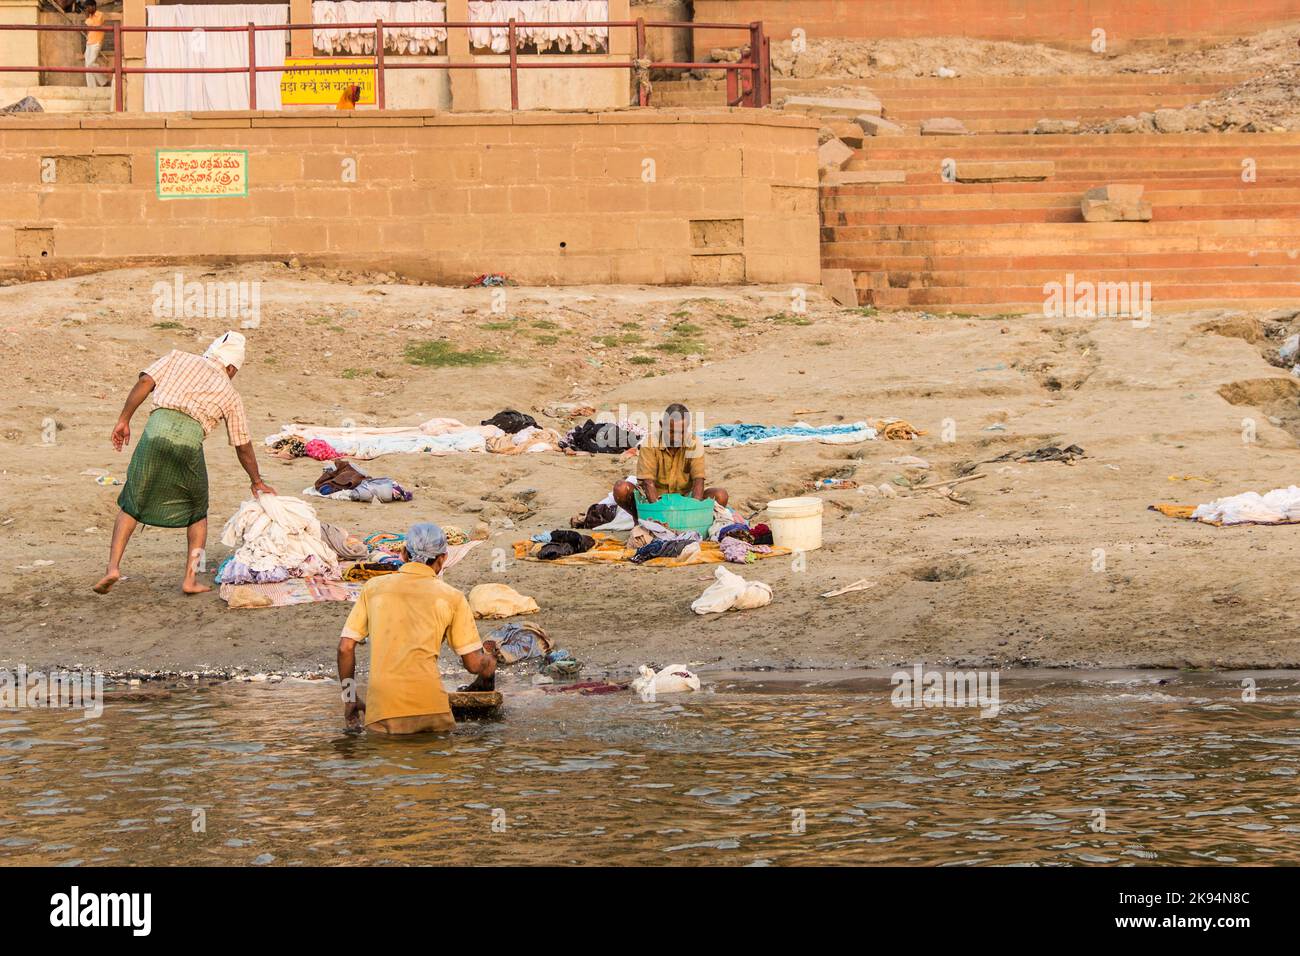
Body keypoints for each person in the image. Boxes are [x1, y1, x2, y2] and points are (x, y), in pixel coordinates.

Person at [94, 331, 276, 595]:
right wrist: (256, 481)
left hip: (154, 433)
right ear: (232, 366)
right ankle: (190, 579)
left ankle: (112, 568)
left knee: (131, 502)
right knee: (197, 512)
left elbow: (145, 381)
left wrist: (124, 419)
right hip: (189, 443)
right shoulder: (229, 391)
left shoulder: (177, 357)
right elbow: (242, 444)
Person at [336, 523, 497, 735]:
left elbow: (345, 649)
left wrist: (349, 698)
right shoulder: (452, 597)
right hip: (433, 710)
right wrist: (490, 661)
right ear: (442, 559)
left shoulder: (373, 588)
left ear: (403, 553)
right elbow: (474, 665)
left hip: (384, 713)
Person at [612, 403, 728, 524]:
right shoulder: (650, 443)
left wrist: (694, 510)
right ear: (662, 425)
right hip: (653, 498)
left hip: (684, 498)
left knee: (721, 495)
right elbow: (648, 483)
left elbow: (699, 480)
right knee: (621, 489)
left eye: (681, 432)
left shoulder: (694, 443)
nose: (677, 437)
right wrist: (659, 516)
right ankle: (639, 518)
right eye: (672, 432)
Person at [83, 2, 108, 89]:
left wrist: (86, 18)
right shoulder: (90, 17)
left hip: (96, 42)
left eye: (88, 7)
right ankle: (92, 88)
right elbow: (88, 28)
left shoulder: (100, 15)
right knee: (87, 66)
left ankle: (103, 81)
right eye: (86, 8)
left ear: (93, 6)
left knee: (91, 64)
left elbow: (94, 26)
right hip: (89, 42)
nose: (87, 9)